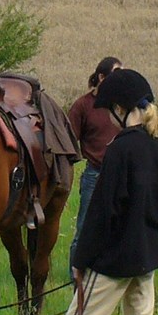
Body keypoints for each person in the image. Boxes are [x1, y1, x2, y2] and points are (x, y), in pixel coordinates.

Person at [33, 68, 158, 315]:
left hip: (112, 261)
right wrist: (152, 242)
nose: (109, 118)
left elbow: (101, 214)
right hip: (146, 256)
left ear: (121, 109)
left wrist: (81, 261)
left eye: (111, 110)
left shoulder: (121, 149)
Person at [65, 57, 122, 263]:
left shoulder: (121, 107)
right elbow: (68, 140)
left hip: (120, 174)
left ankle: (106, 270)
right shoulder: (83, 106)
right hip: (94, 175)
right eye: (116, 73)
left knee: (118, 228)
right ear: (101, 77)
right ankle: (76, 274)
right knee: (85, 229)